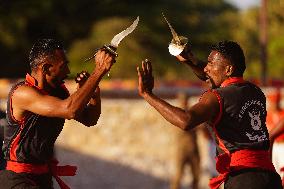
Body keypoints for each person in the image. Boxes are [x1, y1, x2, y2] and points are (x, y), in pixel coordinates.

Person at [136, 41, 282, 189]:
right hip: (271, 177)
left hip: (243, 180)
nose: (206, 68)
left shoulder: (216, 97)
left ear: (229, 69)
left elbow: (186, 121)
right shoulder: (256, 92)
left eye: (211, 63)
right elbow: (215, 77)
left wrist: (148, 95)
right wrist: (191, 61)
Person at [0, 38, 115, 189]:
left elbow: (89, 119)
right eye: (64, 65)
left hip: (43, 177)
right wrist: (99, 70)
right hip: (17, 179)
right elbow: (70, 110)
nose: (68, 71)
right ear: (46, 68)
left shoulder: (58, 92)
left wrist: (92, 94)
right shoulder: (22, 93)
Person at [170, 92, 200, 189]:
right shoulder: (176, 114)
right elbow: (183, 129)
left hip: (193, 148)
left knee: (196, 176)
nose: (184, 102)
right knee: (178, 176)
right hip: (182, 149)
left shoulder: (192, 113)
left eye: (185, 100)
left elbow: (201, 126)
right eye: (182, 100)